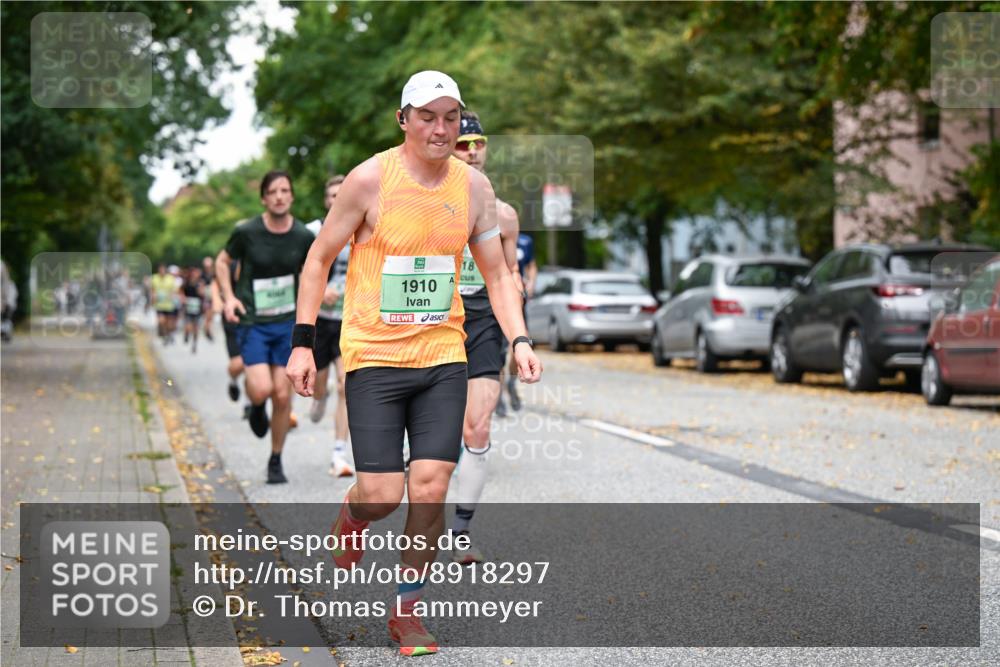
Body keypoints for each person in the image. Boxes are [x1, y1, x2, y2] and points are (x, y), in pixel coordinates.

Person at [286, 71, 542, 657]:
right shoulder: (370, 180)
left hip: (443, 357)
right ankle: (354, 517)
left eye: (451, 117)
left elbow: (499, 274)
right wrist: (303, 343)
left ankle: (406, 612)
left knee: (428, 489)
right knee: (380, 494)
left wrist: (519, 338)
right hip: (374, 356)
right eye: (428, 116)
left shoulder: (473, 192)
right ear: (403, 120)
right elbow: (318, 259)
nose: (442, 128)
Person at [449, 110, 523, 564]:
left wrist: (521, 336)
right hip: (434, 319)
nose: (473, 152)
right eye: (463, 144)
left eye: (479, 143)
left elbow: (509, 271)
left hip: (483, 319)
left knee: (477, 425)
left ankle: (460, 528)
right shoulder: (422, 205)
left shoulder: (506, 215)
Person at [216, 171, 314, 484]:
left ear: (292, 196)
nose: (279, 196)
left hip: (287, 323)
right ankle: (257, 406)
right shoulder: (246, 231)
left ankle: (275, 459)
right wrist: (228, 298)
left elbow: (314, 270)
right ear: (263, 198)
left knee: (283, 397)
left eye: (285, 190)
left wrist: (318, 295)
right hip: (254, 321)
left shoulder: (302, 236)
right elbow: (222, 262)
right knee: (262, 389)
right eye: (273, 191)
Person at [306, 176, 355, 477]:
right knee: (321, 385)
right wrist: (321, 291)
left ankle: (339, 453)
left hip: (350, 320)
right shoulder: (313, 231)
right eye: (332, 194)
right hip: (322, 321)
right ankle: (318, 397)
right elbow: (305, 269)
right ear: (326, 200)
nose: (337, 198)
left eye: (342, 193)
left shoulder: (361, 226)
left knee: (346, 385)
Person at [497, 231, 538, 416]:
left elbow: (531, 266)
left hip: (518, 300)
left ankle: (512, 382)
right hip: (497, 301)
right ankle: (497, 396)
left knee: (522, 343)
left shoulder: (524, 241)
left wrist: (531, 284)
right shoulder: (490, 238)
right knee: (497, 352)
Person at [150, 264, 178, 344]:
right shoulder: (154, 278)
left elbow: (174, 290)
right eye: (160, 270)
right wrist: (153, 296)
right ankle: (164, 334)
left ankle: (169, 334)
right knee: (161, 321)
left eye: (163, 270)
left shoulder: (170, 279)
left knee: (169, 323)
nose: (162, 271)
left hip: (169, 305)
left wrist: (171, 295)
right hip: (159, 305)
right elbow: (152, 289)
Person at [181, 266, 206, 353]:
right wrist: (183, 299)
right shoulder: (186, 282)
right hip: (188, 306)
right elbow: (181, 292)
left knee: (196, 328)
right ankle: (186, 334)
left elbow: (202, 294)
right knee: (188, 326)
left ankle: (194, 344)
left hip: (197, 307)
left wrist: (200, 288)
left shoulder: (200, 283)